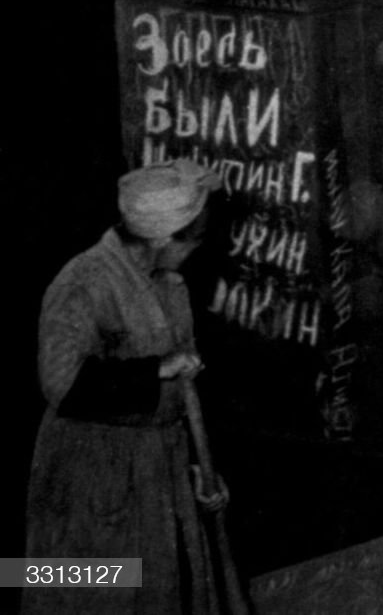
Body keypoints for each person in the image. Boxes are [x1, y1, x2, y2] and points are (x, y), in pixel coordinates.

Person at [25, 160, 229, 615]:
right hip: (88, 483)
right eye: (193, 238)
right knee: (84, 595)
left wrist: (197, 470)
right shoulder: (83, 281)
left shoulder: (169, 284)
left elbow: (180, 399)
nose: (196, 249)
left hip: (156, 478)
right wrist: (155, 368)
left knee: (158, 596)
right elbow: (59, 383)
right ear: (161, 236)